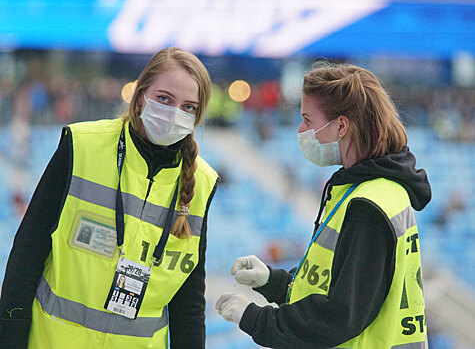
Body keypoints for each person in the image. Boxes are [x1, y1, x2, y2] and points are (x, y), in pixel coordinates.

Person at [0, 47, 219, 348]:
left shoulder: (203, 183)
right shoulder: (81, 146)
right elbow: (27, 254)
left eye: (188, 107)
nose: (174, 114)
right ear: (141, 95)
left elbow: (188, 303)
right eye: (164, 99)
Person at [215, 62, 431, 348]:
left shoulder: (367, 206)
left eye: (307, 119)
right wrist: (272, 281)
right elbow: (335, 283)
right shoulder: (379, 191)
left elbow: (339, 315)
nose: (301, 129)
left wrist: (254, 317)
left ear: (341, 125)